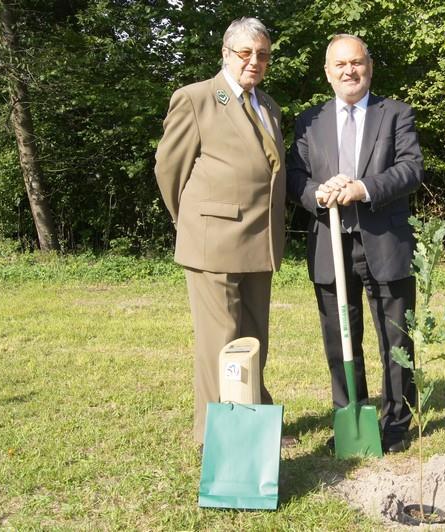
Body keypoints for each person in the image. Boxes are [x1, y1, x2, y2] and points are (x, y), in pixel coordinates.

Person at [154, 17, 294, 447]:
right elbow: (168, 169)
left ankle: (254, 419)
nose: (254, 61)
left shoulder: (267, 105)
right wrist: (196, 223)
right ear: (226, 53)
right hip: (212, 243)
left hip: (260, 242)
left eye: (263, 54)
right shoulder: (196, 99)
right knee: (220, 343)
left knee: (254, 339)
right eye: (245, 53)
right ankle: (217, 436)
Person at [287, 34, 423, 453]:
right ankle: (351, 412)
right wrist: (317, 194)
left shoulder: (395, 114)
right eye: (341, 64)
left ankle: (398, 421)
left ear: (370, 66)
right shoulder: (310, 121)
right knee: (339, 336)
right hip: (330, 243)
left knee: (395, 338)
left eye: (357, 62)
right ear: (328, 73)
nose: (350, 71)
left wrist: (364, 188)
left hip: (385, 242)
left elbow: (411, 169)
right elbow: (294, 176)